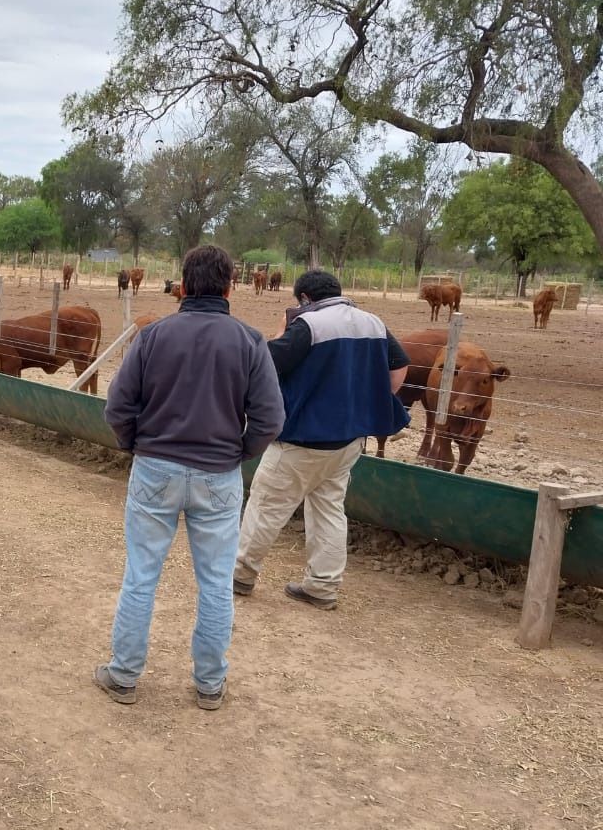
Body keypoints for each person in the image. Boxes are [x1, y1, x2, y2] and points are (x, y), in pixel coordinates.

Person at [95, 245, 284, 710]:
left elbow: (118, 407)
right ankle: (209, 684)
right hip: (218, 474)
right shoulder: (250, 341)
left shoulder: (154, 336)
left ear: (182, 284)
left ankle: (123, 675)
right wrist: (239, 453)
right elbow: (270, 418)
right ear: (230, 286)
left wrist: (135, 445)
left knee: (141, 576)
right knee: (217, 582)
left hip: (155, 467)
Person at [233, 269, 410, 610]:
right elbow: (399, 367)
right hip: (348, 441)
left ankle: (240, 574)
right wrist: (369, 403)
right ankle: (323, 586)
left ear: (305, 299)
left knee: (266, 506)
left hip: (302, 440)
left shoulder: (310, 325)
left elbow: (266, 363)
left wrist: (281, 332)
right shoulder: (372, 322)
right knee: (329, 511)